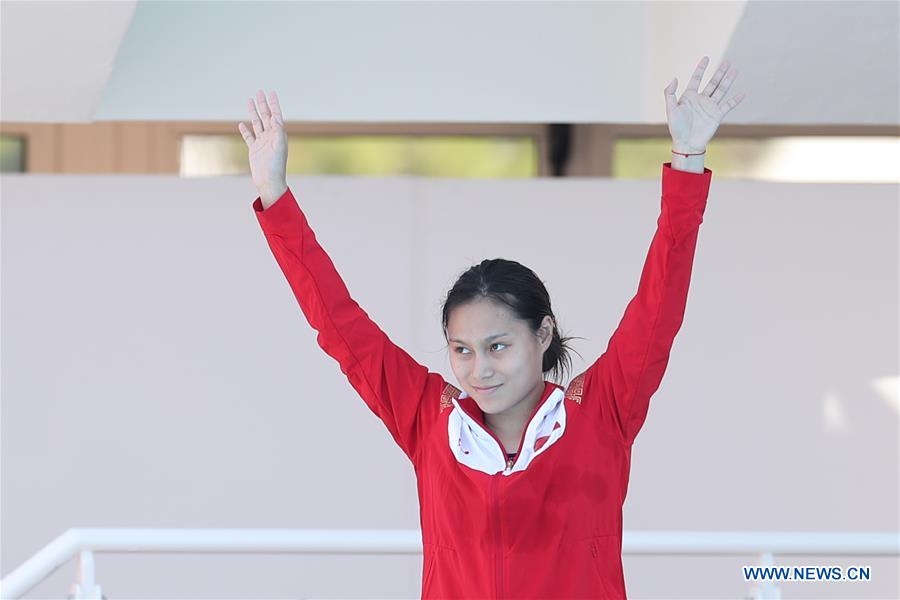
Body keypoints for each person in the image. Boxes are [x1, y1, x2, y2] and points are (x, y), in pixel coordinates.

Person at [239, 55, 746, 599]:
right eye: (462, 349)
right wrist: (274, 193)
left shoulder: (601, 412)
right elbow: (338, 323)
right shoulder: (428, 421)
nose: (479, 369)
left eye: (497, 346)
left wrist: (687, 161)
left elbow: (659, 308)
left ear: (542, 334)